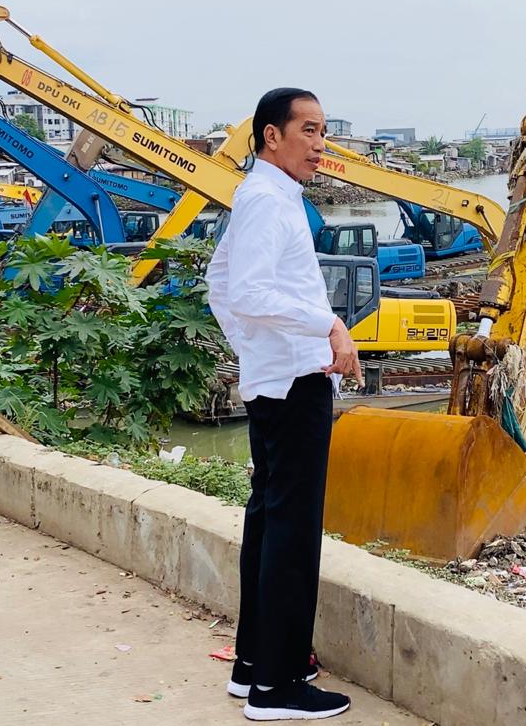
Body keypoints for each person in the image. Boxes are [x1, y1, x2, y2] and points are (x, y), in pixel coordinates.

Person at [205, 87, 362, 721]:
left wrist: (255, 350)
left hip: (277, 377)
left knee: (269, 521)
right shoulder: (269, 201)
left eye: (323, 132)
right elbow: (245, 290)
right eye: (310, 131)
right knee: (292, 532)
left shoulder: (261, 197)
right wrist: (326, 326)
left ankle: (254, 666)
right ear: (273, 135)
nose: (321, 146)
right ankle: (278, 688)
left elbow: (220, 284)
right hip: (296, 381)